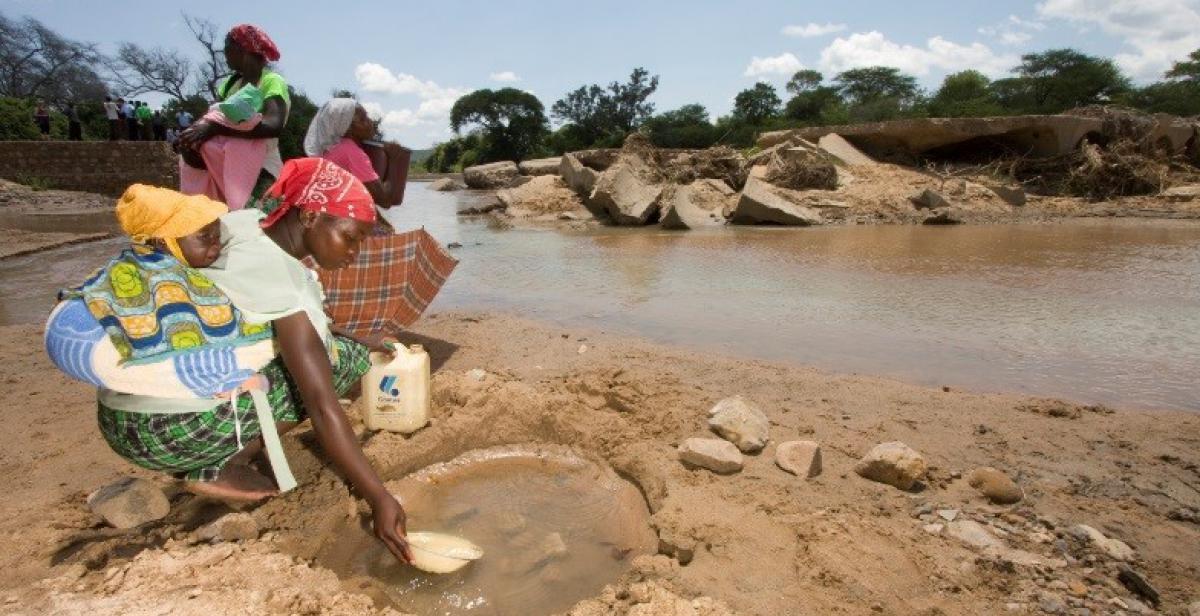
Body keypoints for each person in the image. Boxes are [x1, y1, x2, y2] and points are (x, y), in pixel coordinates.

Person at [98, 158, 414, 564]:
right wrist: (380, 497)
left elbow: (262, 319)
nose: (354, 252)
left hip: (124, 415)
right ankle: (223, 463)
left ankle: (229, 446)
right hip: (167, 433)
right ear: (311, 214)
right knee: (341, 366)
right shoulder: (276, 277)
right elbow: (321, 404)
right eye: (350, 238)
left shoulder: (242, 227)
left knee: (339, 349)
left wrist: (356, 334)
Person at [178, 24, 290, 208]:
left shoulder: (271, 81)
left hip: (262, 167)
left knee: (258, 221)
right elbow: (213, 117)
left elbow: (273, 125)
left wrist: (216, 128)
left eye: (227, 49)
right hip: (226, 167)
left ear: (242, 50)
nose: (225, 54)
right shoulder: (229, 85)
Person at [304, 98, 405, 208]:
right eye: (363, 119)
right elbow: (385, 201)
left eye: (367, 116)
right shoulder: (351, 152)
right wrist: (393, 160)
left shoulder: (330, 148)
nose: (370, 122)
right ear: (347, 128)